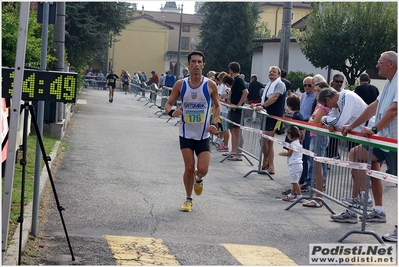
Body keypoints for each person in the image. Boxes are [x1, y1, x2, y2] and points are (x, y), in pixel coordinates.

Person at [338, 51, 397, 228]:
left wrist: (373, 128)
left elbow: (394, 110)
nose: (377, 65)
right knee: (357, 156)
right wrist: (352, 125)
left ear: (391, 64)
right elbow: (374, 107)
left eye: (380, 62)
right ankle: (370, 205)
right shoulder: (388, 83)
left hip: (393, 140)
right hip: (383, 138)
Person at [164, 51, 220, 212]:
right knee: (189, 167)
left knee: (203, 169)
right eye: (193, 62)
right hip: (186, 133)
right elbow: (168, 104)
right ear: (188, 64)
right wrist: (171, 111)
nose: (196, 64)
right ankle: (188, 199)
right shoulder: (181, 85)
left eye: (199, 62)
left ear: (203, 64)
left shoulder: (210, 85)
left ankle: (198, 178)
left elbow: (217, 106)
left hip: (203, 134)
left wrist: (214, 123)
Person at [251, 66, 287, 173]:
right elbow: (265, 100)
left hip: (275, 117)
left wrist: (263, 106)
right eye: (270, 71)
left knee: (263, 140)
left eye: (274, 72)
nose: (271, 73)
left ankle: (266, 161)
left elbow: (275, 97)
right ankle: (271, 168)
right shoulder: (269, 85)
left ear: (279, 75)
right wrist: (258, 104)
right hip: (268, 115)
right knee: (269, 143)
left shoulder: (280, 84)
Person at [302, 81, 330, 208]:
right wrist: (313, 119)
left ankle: (319, 196)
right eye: (316, 91)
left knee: (317, 165)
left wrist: (313, 119)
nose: (316, 93)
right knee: (313, 164)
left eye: (319, 91)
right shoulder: (318, 105)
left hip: (320, 137)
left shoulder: (324, 107)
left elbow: (314, 121)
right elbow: (311, 119)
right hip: (314, 135)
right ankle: (316, 193)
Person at [281, 94, 304, 195]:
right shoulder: (298, 115)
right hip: (295, 145)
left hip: (294, 158)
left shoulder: (297, 116)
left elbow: (300, 130)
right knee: (295, 177)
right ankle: (292, 192)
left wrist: (283, 153)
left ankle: (296, 194)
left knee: (294, 177)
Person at [226, 62, 248, 161]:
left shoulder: (239, 80)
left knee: (237, 131)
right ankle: (234, 150)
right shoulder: (236, 80)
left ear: (231, 70)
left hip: (237, 110)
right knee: (234, 131)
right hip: (234, 109)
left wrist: (238, 105)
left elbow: (245, 92)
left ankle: (238, 152)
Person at [279, 125, 303, 202]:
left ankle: (299, 196)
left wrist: (283, 153)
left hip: (294, 165)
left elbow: (289, 153)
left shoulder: (293, 144)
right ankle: (291, 195)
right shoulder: (299, 143)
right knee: (296, 181)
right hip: (299, 164)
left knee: (294, 182)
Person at [299, 76, 315, 191]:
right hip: (301, 124)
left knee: (309, 153)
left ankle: (310, 179)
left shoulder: (316, 97)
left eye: (310, 85)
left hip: (309, 125)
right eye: (305, 85)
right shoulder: (303, 96)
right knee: (301, 152)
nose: (307, 87)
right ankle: (303, 176)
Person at [214, 71, 230, 152]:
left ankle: (225, 145)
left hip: (224, 109)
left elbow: (218, 96)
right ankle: (223, 142)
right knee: (223, 127)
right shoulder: (223, 86)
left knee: (225, 128)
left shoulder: (223, 85)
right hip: (223, 109)